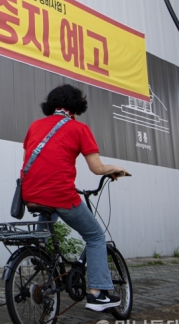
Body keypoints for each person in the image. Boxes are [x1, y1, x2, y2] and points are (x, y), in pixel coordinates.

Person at [20, 84, 129, 312]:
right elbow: (97, 168)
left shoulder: (35, 126)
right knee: (96, 236)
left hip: (30, 194)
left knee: (49, 207)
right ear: (75, 106)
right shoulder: (79, 128)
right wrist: (115, 169)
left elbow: (35, 162)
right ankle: (97, 293)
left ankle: (41, 249)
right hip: (60, 194)